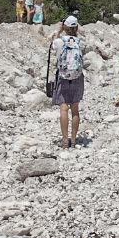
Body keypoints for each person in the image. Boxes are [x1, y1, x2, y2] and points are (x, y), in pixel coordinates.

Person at [50, 15, 85, 147]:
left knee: (64, 109)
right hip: (77, 77)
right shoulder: (80, 42)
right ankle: (74, 139)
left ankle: (65, 140)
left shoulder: (59, 42)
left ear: (65, 27)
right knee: (75, 109)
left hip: (63, 77)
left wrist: (59, 32)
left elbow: (53, 46)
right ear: (76, 27)